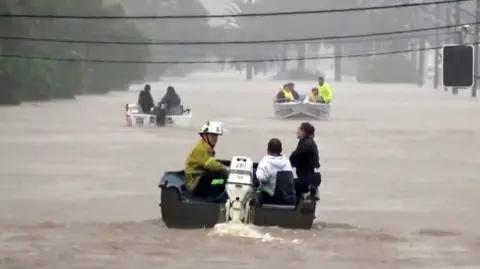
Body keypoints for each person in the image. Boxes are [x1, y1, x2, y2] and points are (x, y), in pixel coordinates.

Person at [185, 121, 229, 198]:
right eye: (212, 136)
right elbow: (210, 164)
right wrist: (227, 169)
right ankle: (214, 197)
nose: (215, 139)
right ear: (205, 135)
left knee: (220, 175)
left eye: (216, 136)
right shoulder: (201, 148)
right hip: (195, 184)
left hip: (199, 178)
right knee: (222, 175)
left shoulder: (206, 147)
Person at [255, 138, 296, 205]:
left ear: (267, 150)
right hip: (290, 199)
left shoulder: (265, 163)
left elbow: (261, 178)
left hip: (273, 199)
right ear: (281, 150)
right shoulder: (287, 162)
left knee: (256, 191)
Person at [289, 122, 321, 201]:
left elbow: (293, 159)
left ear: (303, 131)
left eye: (298, 130)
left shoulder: (305, 144)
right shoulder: (310, 142)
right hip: (313, 179)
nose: (297, 132)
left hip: (308, 180)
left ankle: (289, 208)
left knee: (285, 184)